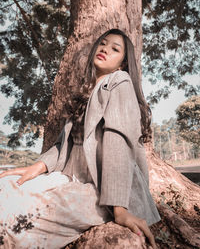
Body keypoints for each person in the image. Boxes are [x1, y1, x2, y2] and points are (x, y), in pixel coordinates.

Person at [0, 29, 160, 249]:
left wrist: (120, 209)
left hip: (104, 191)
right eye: (103, 43)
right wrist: (37, 167)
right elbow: (63, 144)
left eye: (115, 49)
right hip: (68, 177)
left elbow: (117, 144)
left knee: (19, 219)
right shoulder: (86, 90)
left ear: (123, 64)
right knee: (5, 187)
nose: (105, 49)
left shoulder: (119, 82)